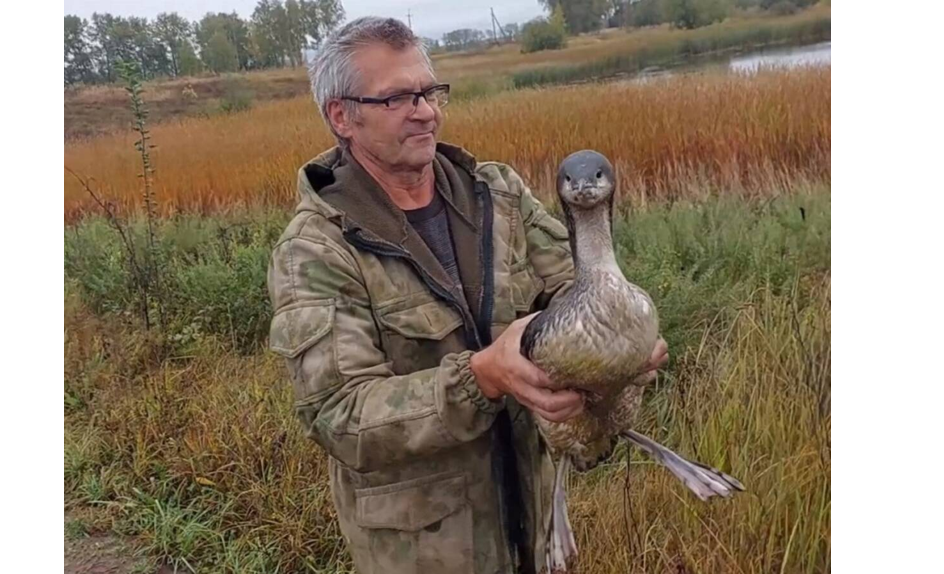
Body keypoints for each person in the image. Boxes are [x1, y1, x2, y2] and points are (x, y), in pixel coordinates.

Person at [267, 16, 666, 574]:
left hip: (538, 528)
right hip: (430, 552)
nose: (426, 110)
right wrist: (481, 378)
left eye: (430, 91)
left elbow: (569, 286)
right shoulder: (317, 251)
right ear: (342, 116)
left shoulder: (498, 195)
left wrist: (623, 339)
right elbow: (341, 416)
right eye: (399, 98)